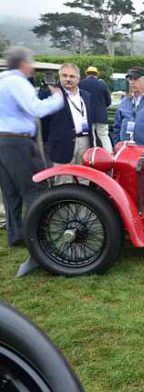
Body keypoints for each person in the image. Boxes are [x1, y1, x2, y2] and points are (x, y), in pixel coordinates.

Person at [0, 47, 64, 246]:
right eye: (30, 62)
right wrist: (57, 98)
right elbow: (36, 108)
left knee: (10, 193)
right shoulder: (18, 82)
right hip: (18, 142)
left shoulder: (2, 80)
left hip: (3, 142)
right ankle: (39, 236)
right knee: (35, 187)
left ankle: (16, 235)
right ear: (23, 63)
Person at [40, 63, 95, 172]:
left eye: (72, 76)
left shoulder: (86, 96)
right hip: (62, 144)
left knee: (84, 176)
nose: (68, 79)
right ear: (60, 77)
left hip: (85, 142)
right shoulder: (50, 95)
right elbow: (44, 123)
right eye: (64, 76)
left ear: (78, 79)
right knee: (63, 177)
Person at [78, 65, 112, 152]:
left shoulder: (80, 84)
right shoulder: (102, 84)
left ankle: (92, 154)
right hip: (101, 115)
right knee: (104, 135)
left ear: (87, 74)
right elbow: (108, 102)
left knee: (90, 136)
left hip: (86, 115)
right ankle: (109, 154)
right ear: (96, 74)